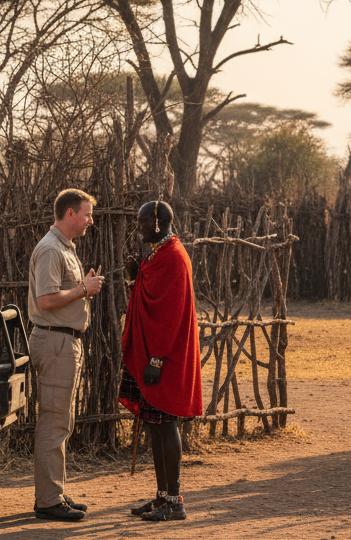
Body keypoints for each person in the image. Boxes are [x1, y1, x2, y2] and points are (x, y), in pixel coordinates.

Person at [119, 200, 202, 522]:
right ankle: (161, 496)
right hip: (152, 353)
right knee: (155, 425)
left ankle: (175, 501)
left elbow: (170, 314)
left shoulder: (173, 257)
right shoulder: (158, 254)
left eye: (141, 221)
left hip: (163, 357)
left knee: (166, 424)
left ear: (156, 222)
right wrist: (133, 278)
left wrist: (156, 360)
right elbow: (148, 299)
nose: (137, 227)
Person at [27, 188, 104, 521]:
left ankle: (53, 491)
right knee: (54, 421)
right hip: (55, 341)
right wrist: (82, 290)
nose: (90, 221)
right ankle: (48, 501)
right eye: (86, 214)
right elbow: (45, 301)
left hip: (63, 341)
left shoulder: (64, 248)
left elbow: (59, 293)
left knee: (61, 421)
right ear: (70, 213)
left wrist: (78, 289)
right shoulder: (50, 249)